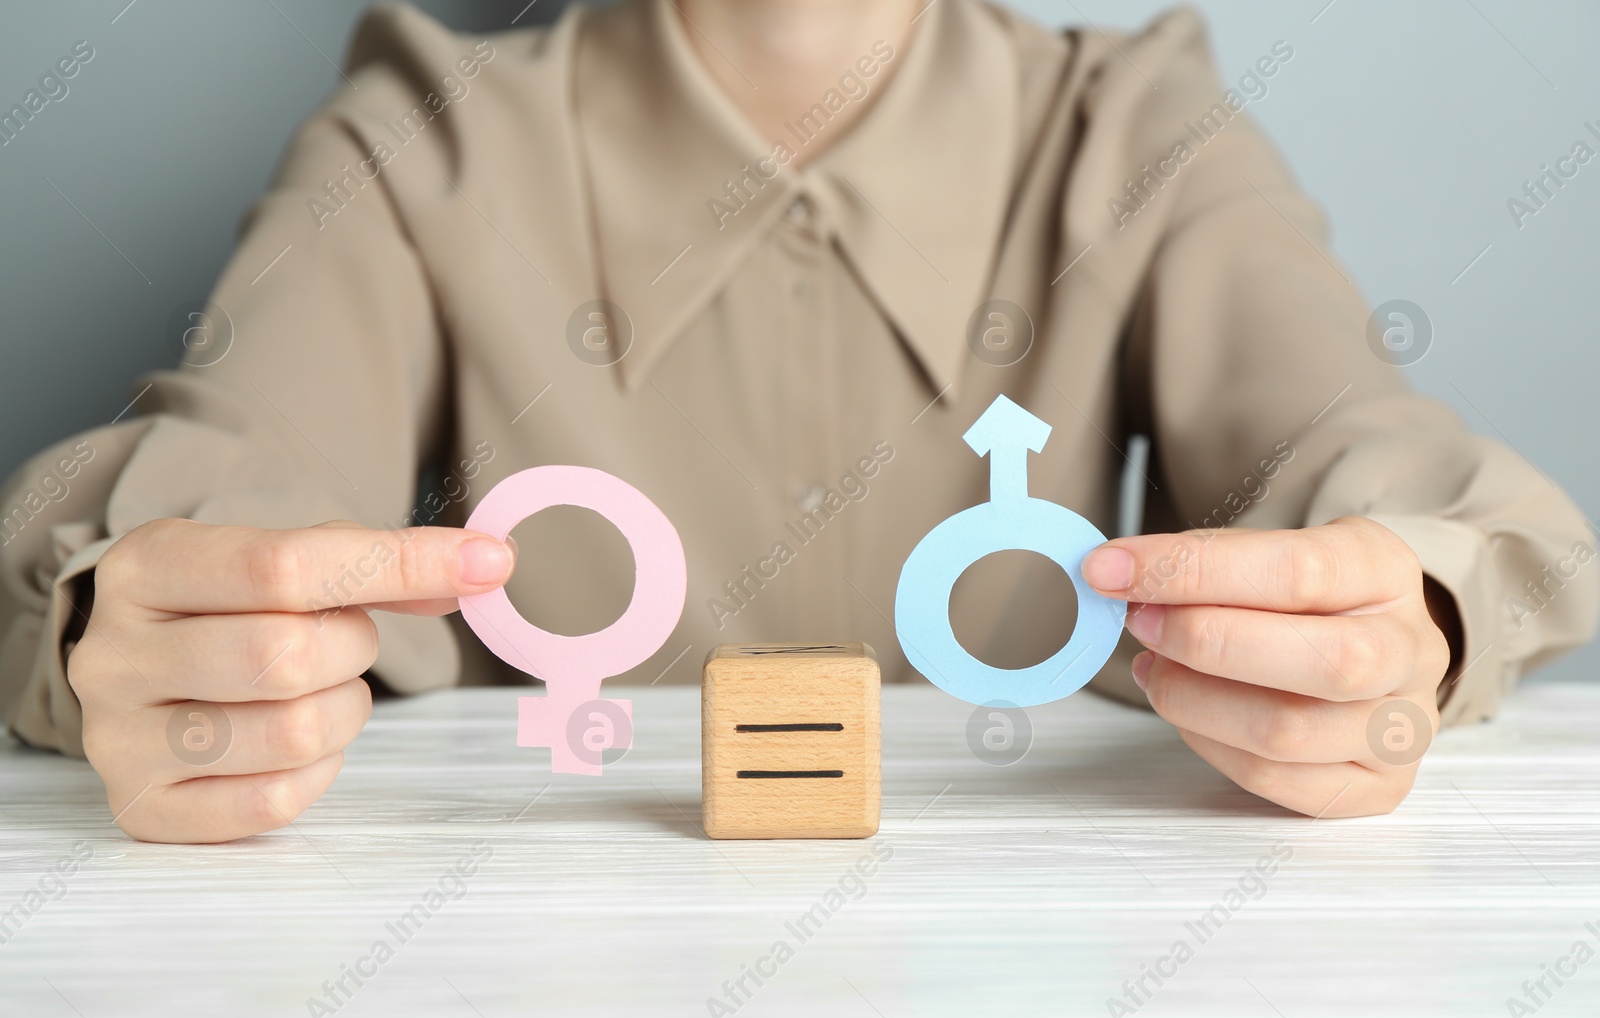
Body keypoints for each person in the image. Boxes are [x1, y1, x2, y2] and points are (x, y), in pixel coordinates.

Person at [1, 0, 1593, 843]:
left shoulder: (1146, 131)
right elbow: (225, 483)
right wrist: (128, 618)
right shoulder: (421, 142)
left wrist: (1413, 608)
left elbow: (1349, 442)